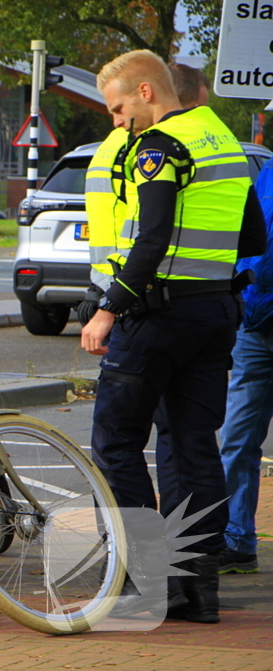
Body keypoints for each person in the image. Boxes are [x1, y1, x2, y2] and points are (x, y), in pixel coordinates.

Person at [81, 50, 266, 624]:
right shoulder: (224, 142)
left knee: (115, 442)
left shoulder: (161, 145)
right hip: (214, 314)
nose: (116, 123)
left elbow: (152, 237)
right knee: (193, 445)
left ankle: (146, 580)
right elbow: (254, 235)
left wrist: (108, 309)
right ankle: (197, 589)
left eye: (117, 110)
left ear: (144, 92)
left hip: (156, 317)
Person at [217, 157, 273, 575]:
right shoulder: (267, 174)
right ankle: (237, 540)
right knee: (237, 439)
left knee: (239, 440)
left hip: (256, 319)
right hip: (256, 323)